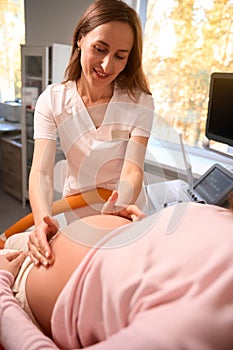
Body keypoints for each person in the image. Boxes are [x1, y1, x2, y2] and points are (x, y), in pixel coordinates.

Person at [1, 197, 233, 350]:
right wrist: (142, 227)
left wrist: (1, 292)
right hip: (53, 242)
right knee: (9, 239)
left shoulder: (195, 325)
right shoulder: (221, 216)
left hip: (27, 285)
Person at [27, 0, 154, 267]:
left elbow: (133, 170)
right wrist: (42, 221)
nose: (107, 65)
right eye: (100, 49)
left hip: (123, 204)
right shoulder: (53, 100)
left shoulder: (139, 102)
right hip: (78, 209)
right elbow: (41, 171)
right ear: (80, 39)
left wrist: (119, 204)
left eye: (120, 56)